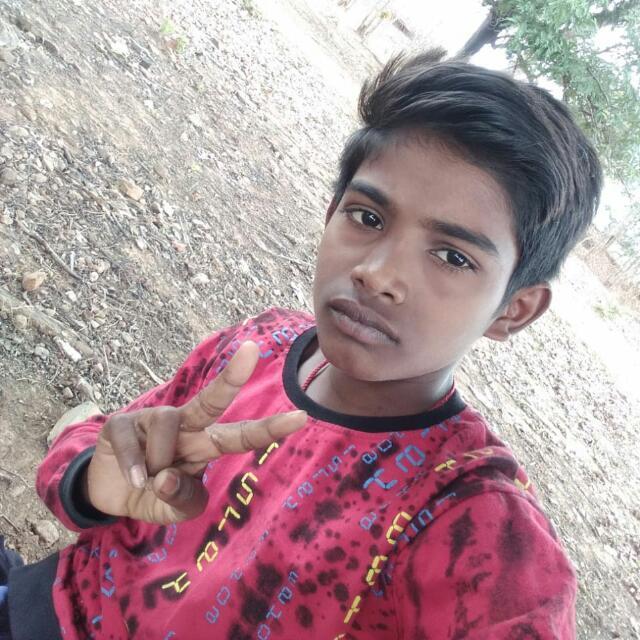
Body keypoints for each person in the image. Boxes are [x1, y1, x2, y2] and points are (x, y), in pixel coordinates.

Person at [2, 52, 601, 640]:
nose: (377, 273)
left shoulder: (472, 520)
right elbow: (98, 445)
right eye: (367, 217)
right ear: (332, 210)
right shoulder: (260, 345)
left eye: (452, 256)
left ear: (514, 309)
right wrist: (92, 482)